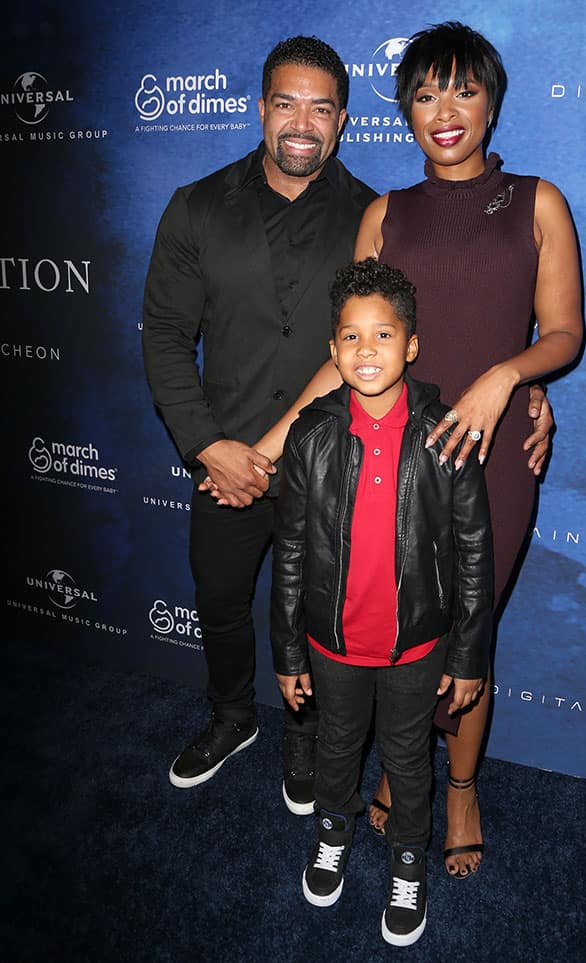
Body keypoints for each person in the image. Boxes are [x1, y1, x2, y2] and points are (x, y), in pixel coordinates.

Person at [262, 22, 583, 875]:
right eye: (426, 94)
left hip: (489, 451)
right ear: (405, 108)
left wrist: (508, 378)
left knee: (467, 621)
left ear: (491, 101)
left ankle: (461, 784)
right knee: (403, 623)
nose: (445, 111)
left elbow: (563, 332)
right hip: (385, 460)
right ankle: (413, 770)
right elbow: (349, 350)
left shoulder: (536, 202)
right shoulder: (385, 213)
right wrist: (271, 444)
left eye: (464, 91)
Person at [142, 36, 376, 811]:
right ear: (261, 109)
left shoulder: (374, 217)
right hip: (225, 463)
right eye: (286, 104)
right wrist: (210, 447)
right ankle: (232, 715)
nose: (301, 123)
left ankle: (303, 737)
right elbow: (167, 335)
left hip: (329, 465)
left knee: (316, 612)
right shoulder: (198, 205)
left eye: (320, 107)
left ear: (342, 120)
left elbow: (382, 343)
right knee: (218, 599)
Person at [270, 258, 493, 946]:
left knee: (406, 758)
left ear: (412, 343)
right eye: (350, 338)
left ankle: (406, 865)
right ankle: (331, 834)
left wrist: (466, 655)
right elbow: (292, 550)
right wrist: (287, 650)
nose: (367, 351)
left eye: (383, 335)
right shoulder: (310, 434)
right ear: (333, 349)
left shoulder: (446, 433)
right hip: (332, 643)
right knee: (336, 748)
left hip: (417, 646)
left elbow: (474, 554)